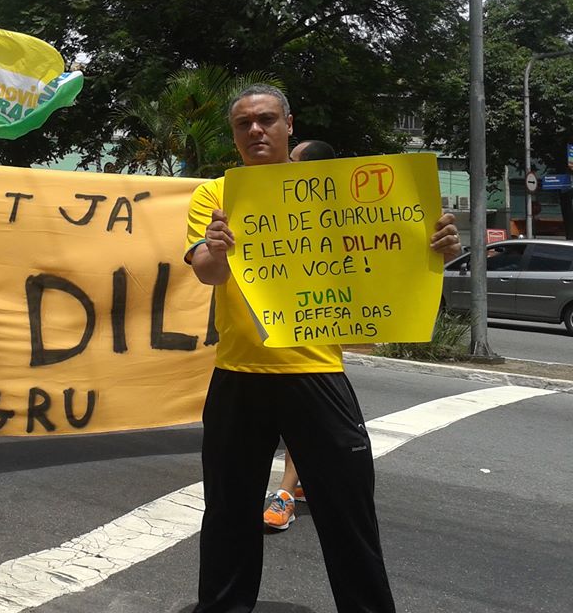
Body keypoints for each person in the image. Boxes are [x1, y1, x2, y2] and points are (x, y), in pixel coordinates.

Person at [185, 84, 462, 612]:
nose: (255, 131)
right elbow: (207, 272)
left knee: (348, 511)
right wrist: (217, 248)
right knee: (227, 510)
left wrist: (434, 250)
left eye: (266, 120)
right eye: (244, 124)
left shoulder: (336, 195)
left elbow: (385, 259)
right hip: (240, 374)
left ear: (290, 124)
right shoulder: (214, 195)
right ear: (234, 134)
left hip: (314, 371)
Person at [263, 137, 337, 532]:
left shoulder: (336, 214)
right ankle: (300, 483)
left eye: (292, 160)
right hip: (275, 333)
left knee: (299, 424)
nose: (284, 163)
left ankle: (286, 494)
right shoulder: (274, 205)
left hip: (313, 342)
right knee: (301, 425)